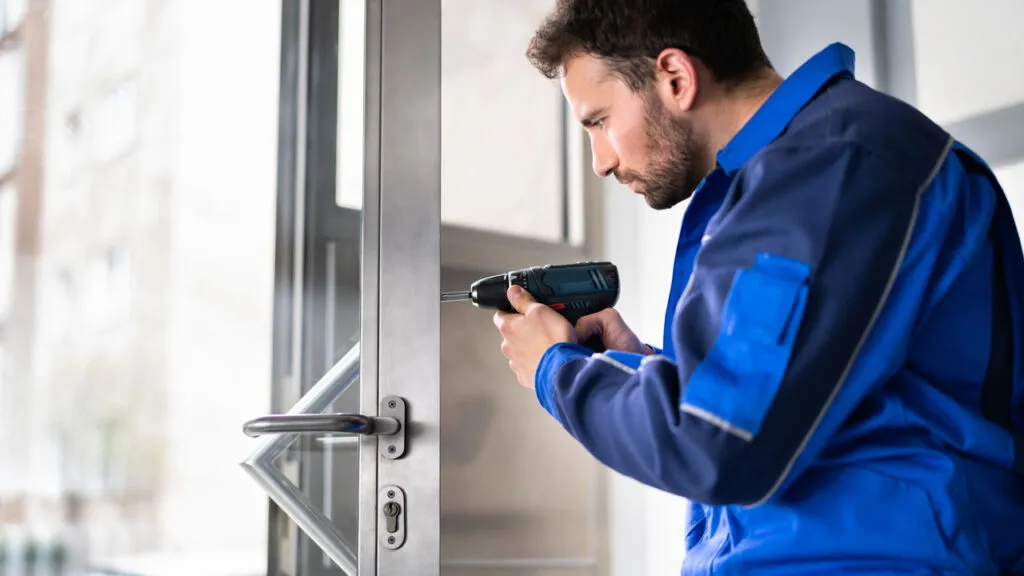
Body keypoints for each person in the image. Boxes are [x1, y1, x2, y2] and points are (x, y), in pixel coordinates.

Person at [491, 1, 1024, 574]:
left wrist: (556, 369)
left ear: (675, 77)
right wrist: (637, 365)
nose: (600, 161)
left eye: (598, 120)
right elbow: (776, 403)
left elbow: (716, 445)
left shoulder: (831, 167)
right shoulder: (786, 175)